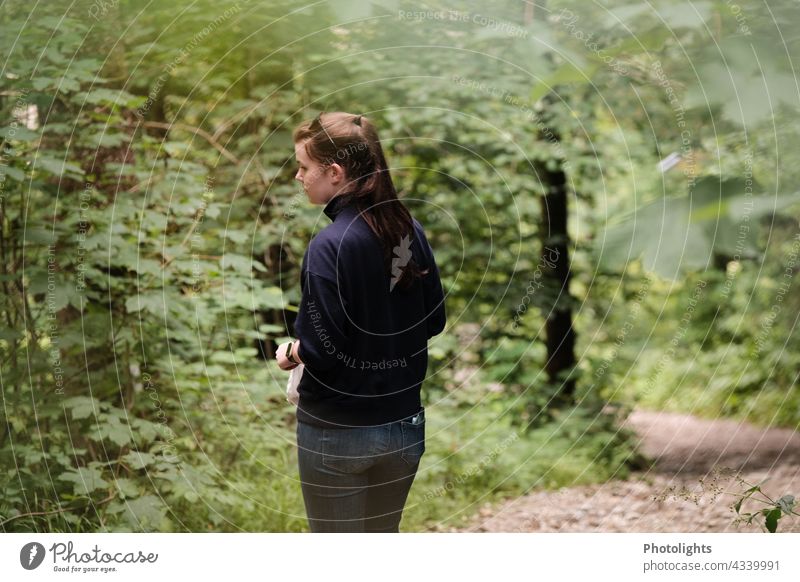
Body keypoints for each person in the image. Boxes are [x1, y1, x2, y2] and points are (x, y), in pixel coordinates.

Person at [274, 111, 447, 532]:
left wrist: (291, 352)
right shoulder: (410, 230)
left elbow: (321, 352)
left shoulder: (329, 246)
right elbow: (435, 320)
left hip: (338, 435)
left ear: (334, 173)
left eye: (303, 167)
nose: (298, 176)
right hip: (404, 427)